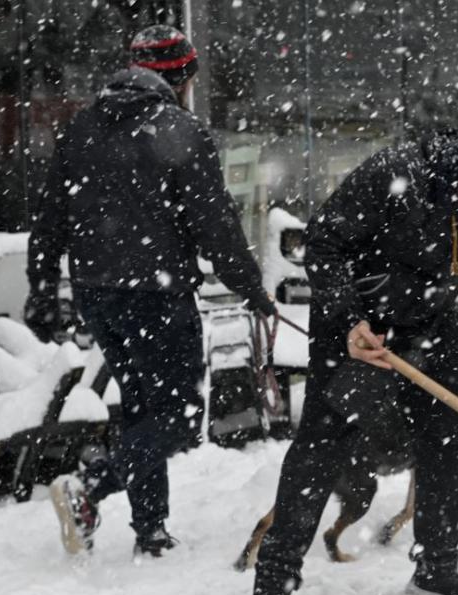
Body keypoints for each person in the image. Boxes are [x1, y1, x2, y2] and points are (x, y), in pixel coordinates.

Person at [249, 131, 458, 595]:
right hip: (358, 327)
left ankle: (438, 566)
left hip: (433, 324)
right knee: (322, 445)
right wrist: (349, 320)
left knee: (446, 441)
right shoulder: (401, 176)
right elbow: (325, 242)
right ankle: (274, 580)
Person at [24, 24, 276, 559]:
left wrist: (44, 288)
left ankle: (151, 530)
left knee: (141, 407)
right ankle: (89, 489)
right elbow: (216, 227)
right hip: (157, 296)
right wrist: (251, 289)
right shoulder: (179, 131)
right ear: (180, 76)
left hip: (97, 293)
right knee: (179, 417)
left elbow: (49, 220)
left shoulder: (82, 129)